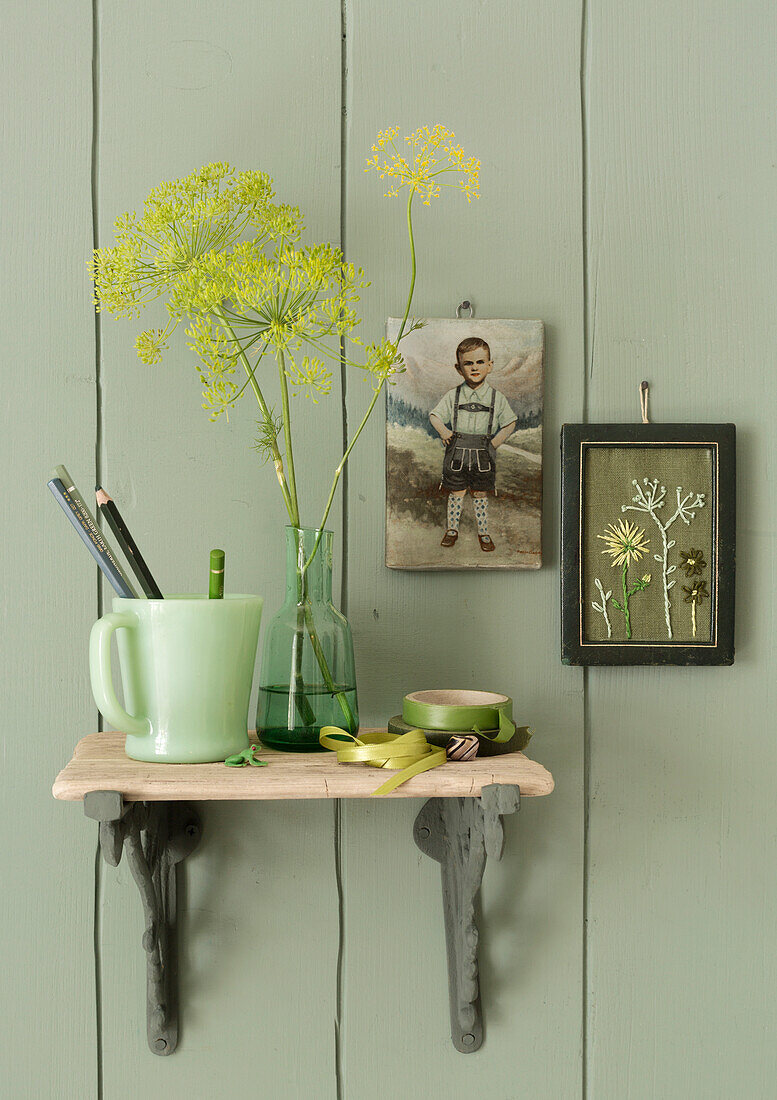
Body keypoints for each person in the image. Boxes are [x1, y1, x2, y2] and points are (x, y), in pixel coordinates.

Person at [429, 336, 517, 551]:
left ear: (490, 365)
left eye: (479, 362)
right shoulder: (453, 396)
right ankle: (452, 530)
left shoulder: (496, 398)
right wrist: (443, 431)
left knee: (479, 494)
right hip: (457, 452)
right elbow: (434, 416)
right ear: (459, 369)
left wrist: (494, 443)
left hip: (483, 454)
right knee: (456, 493)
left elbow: (510, 422)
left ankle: (484, 533)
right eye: (468, 363)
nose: (474, 367)